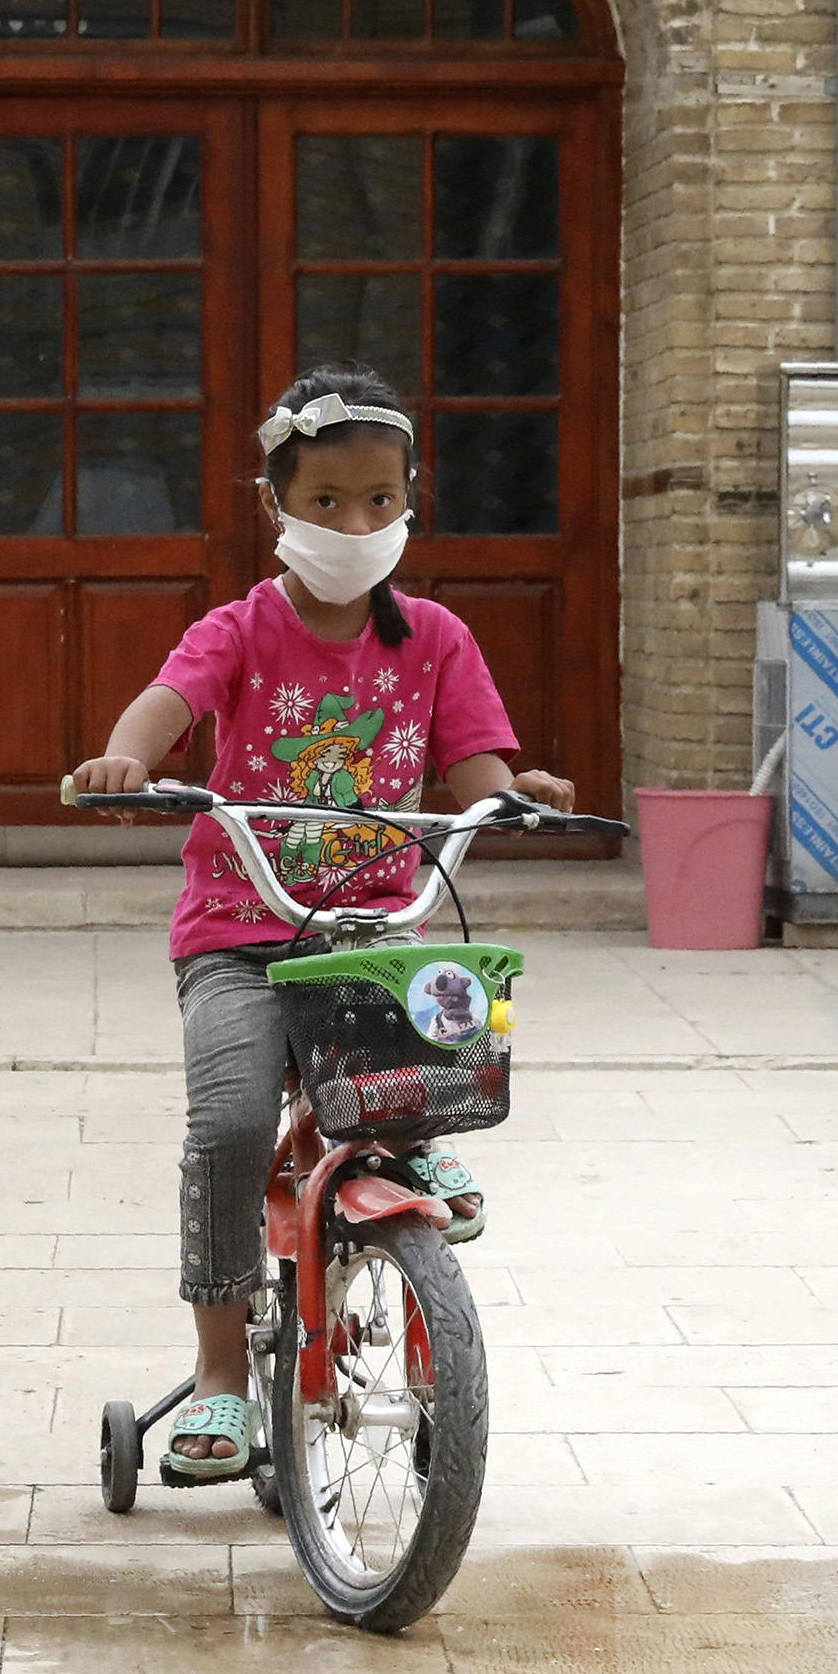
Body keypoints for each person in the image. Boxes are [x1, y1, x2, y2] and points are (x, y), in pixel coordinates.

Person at [63, 364, 574, 1482]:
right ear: (278, 506)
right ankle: (219, 1379)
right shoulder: (242, 628)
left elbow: (474, 761)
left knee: (434, 1046)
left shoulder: (434, 637)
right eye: (329, 501)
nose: (357, 522)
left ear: (409, 500)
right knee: (236, 1121)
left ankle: (412, 1154)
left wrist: (516, 786)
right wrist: (128, 755)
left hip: (370, 925)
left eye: (381, 500)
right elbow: (169, 703)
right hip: (242, 929)